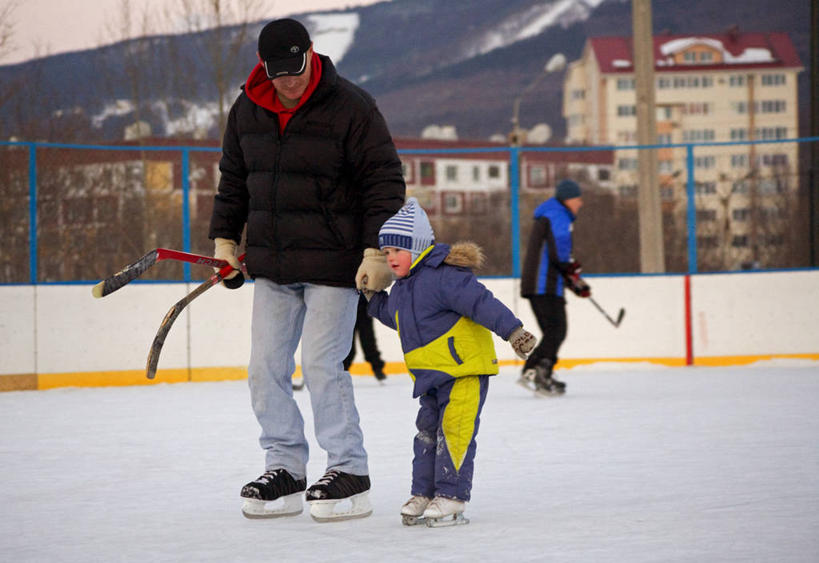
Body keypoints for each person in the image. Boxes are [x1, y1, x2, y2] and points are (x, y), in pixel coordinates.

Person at [208, 18, 405, 522]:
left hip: (336, 265)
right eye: (278, 72)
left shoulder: (352, 107)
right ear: (264, 68)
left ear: (312, 55)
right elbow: (234, 181)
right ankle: (286, 468)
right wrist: (225, 241)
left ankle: (349, 469)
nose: (289, 81)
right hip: (273, 264)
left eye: (296, 69)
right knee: (264, 369)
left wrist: (377, 251)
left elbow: (383, 181)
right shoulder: (247, 109)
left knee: (322, 366)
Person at [365, 198, 536, 527]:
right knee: (426, 434)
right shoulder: (401, 289)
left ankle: (452, 497)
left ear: (416, 248)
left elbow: (481, 303)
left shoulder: (445, 277)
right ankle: (424, 493)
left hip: (463, 371)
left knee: (453, 433)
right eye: (386, 254)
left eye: (397, 252)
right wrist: (372, 298)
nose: (390, 260)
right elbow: (394, 317)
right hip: (430, 377)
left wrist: (514, 332)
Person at [518, 178, 590, 397]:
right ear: (568, 199)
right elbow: (560, 253)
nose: (581, 204)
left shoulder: (551, 214)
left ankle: (533, 371)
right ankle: (539, 374)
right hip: (544, 285)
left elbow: (556, 256)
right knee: (557, 330)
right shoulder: (558, 214)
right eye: (578, 199)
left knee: (553, 331)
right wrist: (573, 273)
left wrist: (572, 281)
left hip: (542, 284)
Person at [343, 294, 387, 381]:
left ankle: (377, 367)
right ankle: (343, 368)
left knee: (368, 340)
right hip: (348, 307)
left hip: (364, 307)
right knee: (349, 344)